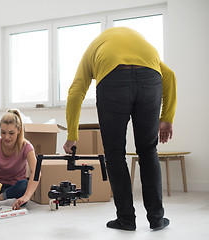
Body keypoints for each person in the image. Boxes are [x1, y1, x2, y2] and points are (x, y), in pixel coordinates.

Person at [63, 27, 177, 231]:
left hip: (113, 80)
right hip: (150, 79)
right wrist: (167, 118)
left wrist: (72, 135)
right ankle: (157, 219)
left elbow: (75, 92)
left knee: (115, 154)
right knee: (148, 150)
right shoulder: (141, 45)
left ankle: (126, 219)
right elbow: (169, 75)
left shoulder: (94, 48)